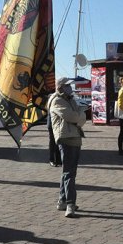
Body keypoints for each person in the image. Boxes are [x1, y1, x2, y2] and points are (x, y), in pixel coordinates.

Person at [50, 77, 87, 217]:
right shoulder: (57, 100)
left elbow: (81, 116)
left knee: (68, 171)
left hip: (74, 136)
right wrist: (80, 116)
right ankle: (70, 204)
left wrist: (79, 116)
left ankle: (62, 200)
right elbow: (72, 116)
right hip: (66, 138)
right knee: (69, 173)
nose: (69, 88)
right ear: (60, 87)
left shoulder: (70, 99)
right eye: (66, 85)